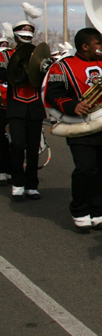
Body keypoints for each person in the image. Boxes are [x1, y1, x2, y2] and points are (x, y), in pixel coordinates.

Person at [43, 27, 102, 231]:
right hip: (80, 124)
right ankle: (80, 210)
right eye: (98, 44)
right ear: (84, 46)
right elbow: (53, 94)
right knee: (85, 169)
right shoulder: (63, 66)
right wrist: (72, 105)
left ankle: (97, 211)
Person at [0, 21, 45, 201]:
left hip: (35, 106)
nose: (26, 39)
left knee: (33, 148)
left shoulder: (39, 56)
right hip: (16, 106)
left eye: (28, 37)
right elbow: (3, 75)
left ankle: (31, 185)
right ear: (16, 36)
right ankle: (18, 183)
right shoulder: (6, 56)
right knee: (17, 145)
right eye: (23, 37)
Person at [0, 37, 12, 186]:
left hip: (13, 105)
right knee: (2, 141)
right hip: (1, 107)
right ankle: (2, 169)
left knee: (14, 142)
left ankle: (11, 169)